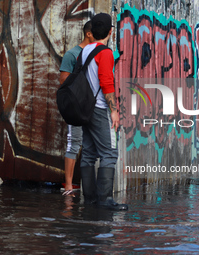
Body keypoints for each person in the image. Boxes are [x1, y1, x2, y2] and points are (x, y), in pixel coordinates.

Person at [80, 13, 128, 210]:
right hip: (100, 109)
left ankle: (90, 199)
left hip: (85, 109)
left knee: (89, 153)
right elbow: (107, 82)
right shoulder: (105, 53)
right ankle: (105, 200)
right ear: (110, 31)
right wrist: (114, 111)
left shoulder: (85, 51)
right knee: (109, 152)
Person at [59, 21, 94, 196]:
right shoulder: (72, 54)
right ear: (88, 34)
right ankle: (68, 186)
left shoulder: (99, 52)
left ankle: (87, 187)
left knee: (91, 145)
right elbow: (63, 80)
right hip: (78, 107)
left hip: (94, 106)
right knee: (74, 143)